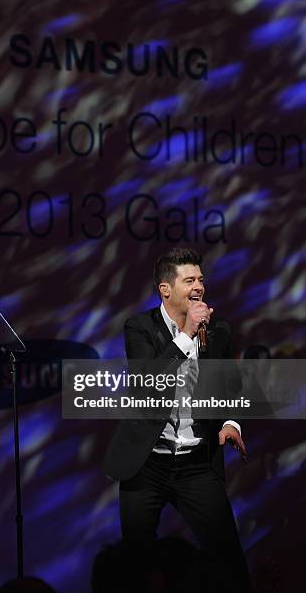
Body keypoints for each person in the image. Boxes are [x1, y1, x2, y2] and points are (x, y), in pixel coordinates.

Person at [104, 247, 251, 592]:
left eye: (201, 278)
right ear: (165, 289)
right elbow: (148, 386)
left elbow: (231, 385)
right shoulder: (139, 327)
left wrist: (231, 423)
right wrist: (186, 333)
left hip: (196, 463)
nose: (199, 285)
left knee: (229, 562)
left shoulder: (219, 330)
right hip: (146, 463)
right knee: (135, 568)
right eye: (189, 280)